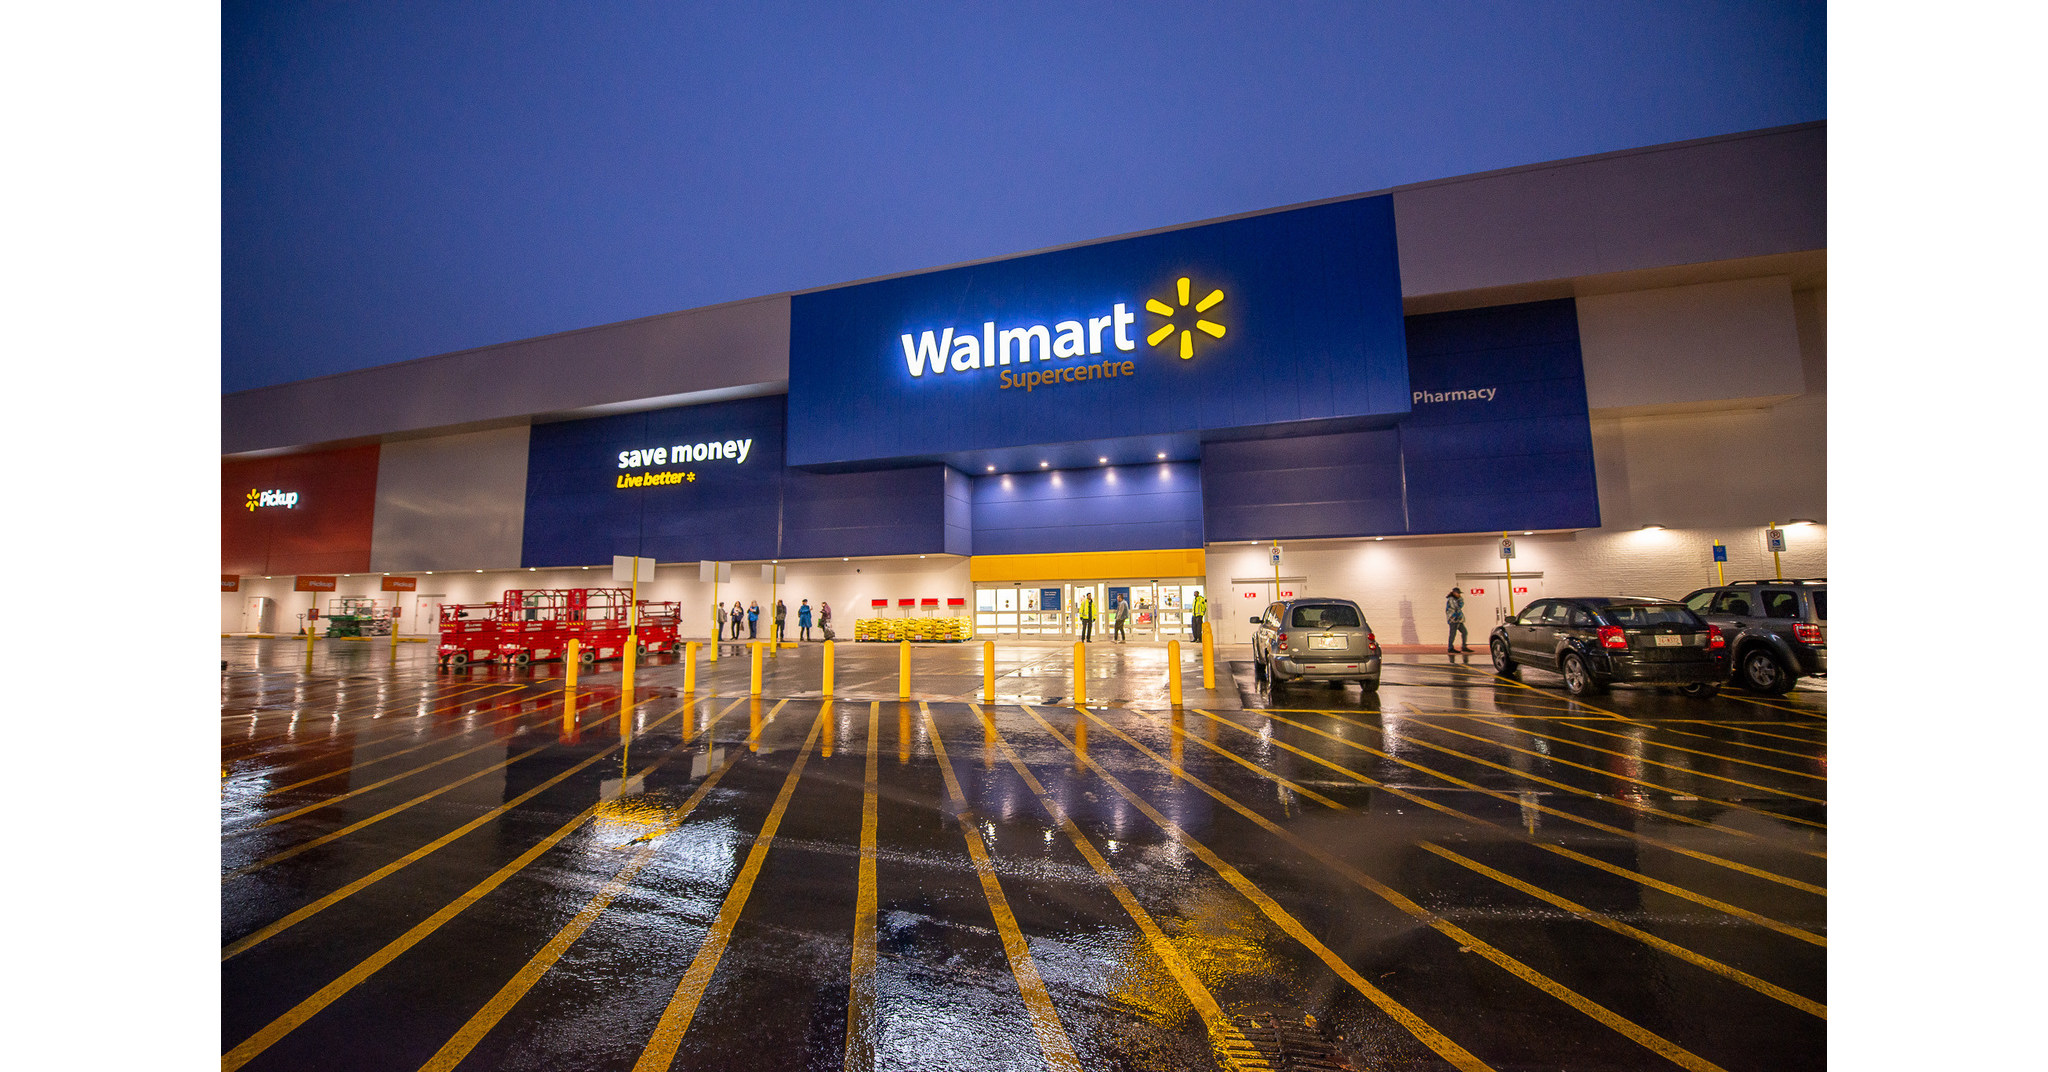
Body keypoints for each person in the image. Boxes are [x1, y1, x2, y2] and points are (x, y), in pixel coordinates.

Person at [1446, 586, 1472, 653]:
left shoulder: (1457, 599)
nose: (1459, 594)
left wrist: (1460, 598)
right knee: (1453, 634)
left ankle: (1464, 646)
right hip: (1453, 619)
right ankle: (1450, 648)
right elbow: (1456, 607)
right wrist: (1460, 600)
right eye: (1458, 593)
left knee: (1464, 632)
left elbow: (1460, 605)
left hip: (1458, 619)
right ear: (1454, 593)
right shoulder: (1451, 599)